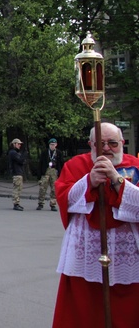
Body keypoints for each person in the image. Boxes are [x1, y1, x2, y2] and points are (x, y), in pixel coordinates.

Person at [52, 122, 139, 327]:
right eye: (100, 144)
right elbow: (66, 200)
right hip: (88, 249)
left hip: (127, 249)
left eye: (112, 143)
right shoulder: (76, 165)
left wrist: (117, 181)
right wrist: (89, 181)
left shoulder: (134, 164)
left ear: (122, 143)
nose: (107, 148)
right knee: (85, 306)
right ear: (90, 144)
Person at [37, 138, 63, 211]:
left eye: (54, 145)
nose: (52, 146)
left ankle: (53, 204)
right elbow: (40, 163)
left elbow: (61, 163)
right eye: (51, 145)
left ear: (56, 145)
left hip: (54, 171)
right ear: (49, 145)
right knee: (42, 187)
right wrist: (39, 175)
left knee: (54, 189)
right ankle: (40, 203)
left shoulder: (58, 152)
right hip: (46, 171)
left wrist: (60, 174)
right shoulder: (45, 152)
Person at [8, 138, 27, 211]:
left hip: (18, 172)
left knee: (19, 188)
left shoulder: (14, 152)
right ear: (14, 144)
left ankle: (17, 203)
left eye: (20, 144)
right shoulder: (13, 152)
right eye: (18, 144)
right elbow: (20, 160)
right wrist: (24, 154)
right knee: (17, 188)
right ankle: (16, 203)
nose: (19, 145)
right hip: (16, 172)